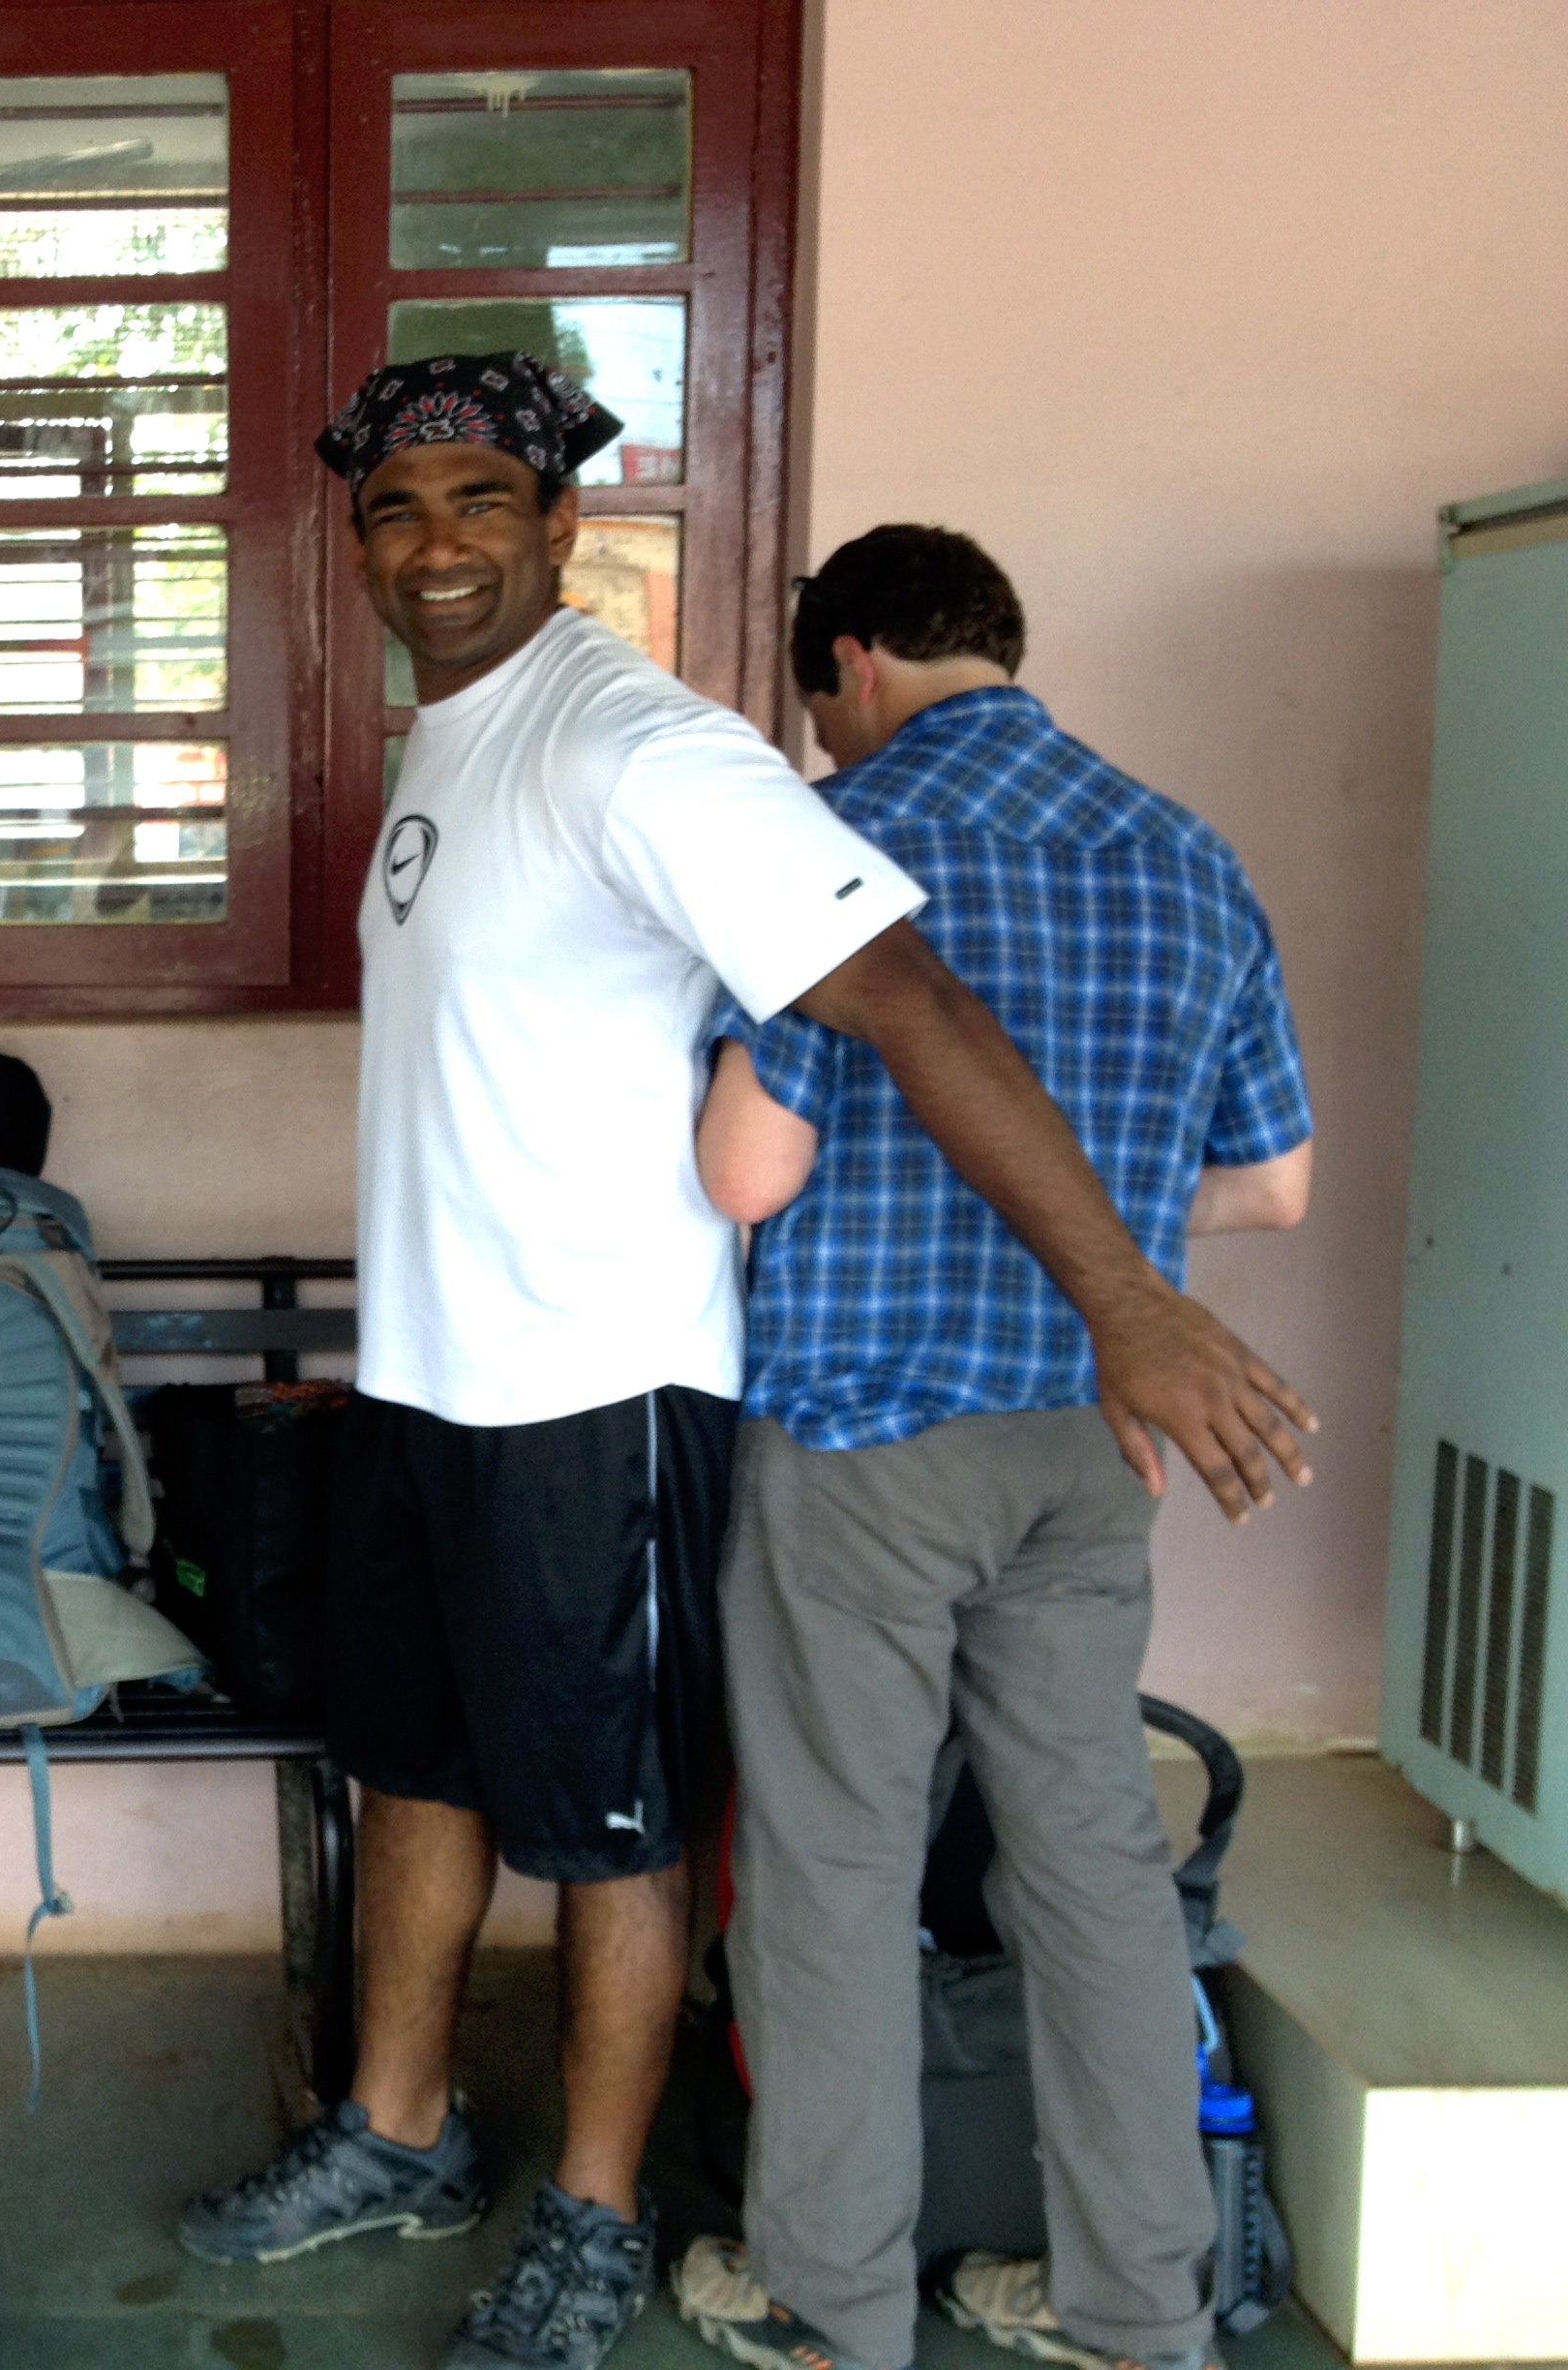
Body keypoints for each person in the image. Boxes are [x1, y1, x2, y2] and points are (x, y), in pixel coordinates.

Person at [172, 356, 1314, 2370]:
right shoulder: (458, 742)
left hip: (608, 1389)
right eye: (395, 510)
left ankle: (609, 2220)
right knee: (417, 1773)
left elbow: (906, 1002)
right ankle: (401, 2129)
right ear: (352, 545)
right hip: (436, 1377)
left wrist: (1132, 1305)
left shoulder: (651, 749)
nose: (435, 543)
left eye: (481, 500)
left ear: (562, 526)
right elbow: (1266, 1170)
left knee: (651, 1834)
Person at [667, 528, 1313, 2370]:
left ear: (852, 664)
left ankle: (836, 2307)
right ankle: (1139, 2309)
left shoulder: (839, 848)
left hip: (867, 1438)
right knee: (1094, 1867)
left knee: (835, 1873)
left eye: (819, 705)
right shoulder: (1186, 854)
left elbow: (747, 1171)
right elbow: (1273, 1184)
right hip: (1096, 1435)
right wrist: (1107, 1243)